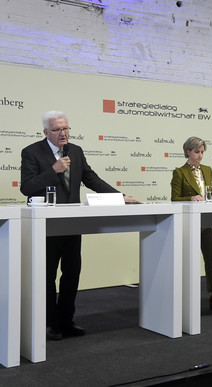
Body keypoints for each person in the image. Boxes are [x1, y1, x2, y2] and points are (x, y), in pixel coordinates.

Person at [20, 110, 139, 341]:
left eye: (66, 128)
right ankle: (50, 323)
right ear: (46, 132)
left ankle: (67, 320)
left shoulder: (75, 151)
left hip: (73, 221)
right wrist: (53, 170)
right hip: (45, 224)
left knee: (72, 273)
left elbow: (91, 179)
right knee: (47, 276)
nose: (63, 133)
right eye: (57, 130)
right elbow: (27, 187)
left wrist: (119, 196)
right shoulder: (31, 152)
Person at [171, 136, 212, 311]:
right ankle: (184, 299)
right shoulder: (179, 172)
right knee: (187, 262)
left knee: (211, 260)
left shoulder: (208, 169)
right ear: (188, 151)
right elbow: (174, 198)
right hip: (189, 224)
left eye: (202, 152)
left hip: (207, 221)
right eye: (197, 152)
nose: (200, 155)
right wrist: (190, 197)